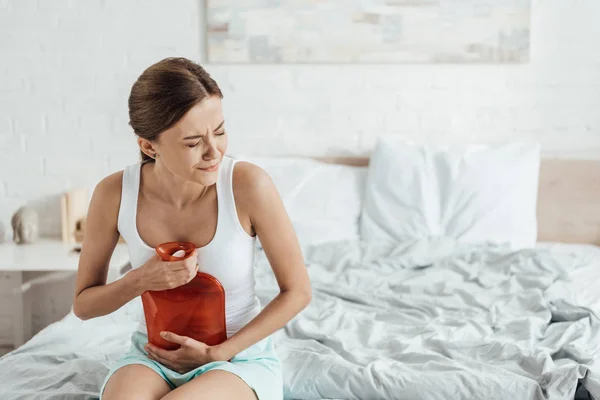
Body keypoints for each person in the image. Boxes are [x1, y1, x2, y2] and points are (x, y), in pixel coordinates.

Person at [73, 57, 312, 400]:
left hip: (237, 358)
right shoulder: (113, 194)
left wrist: (218, 353)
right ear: (149, 146)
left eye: (220, 132)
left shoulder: (248, 185)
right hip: (151, 356)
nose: (214, 152)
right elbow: (84, 305)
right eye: (192, 142)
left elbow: (298, 291)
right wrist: (139, 280)